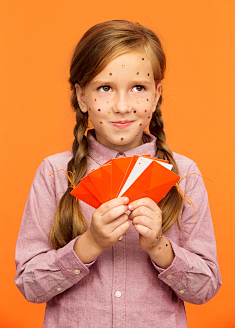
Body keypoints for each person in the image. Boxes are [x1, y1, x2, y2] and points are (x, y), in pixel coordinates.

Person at [14, 20, 221, 328]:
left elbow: (205, 289)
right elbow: (30, 286)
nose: (122, 106)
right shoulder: (54, 173)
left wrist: (159, 247)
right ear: (82, 98)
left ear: (155, 95)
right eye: (105, 88)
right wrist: (90, 244)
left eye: (138, 88)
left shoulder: (185, 174)